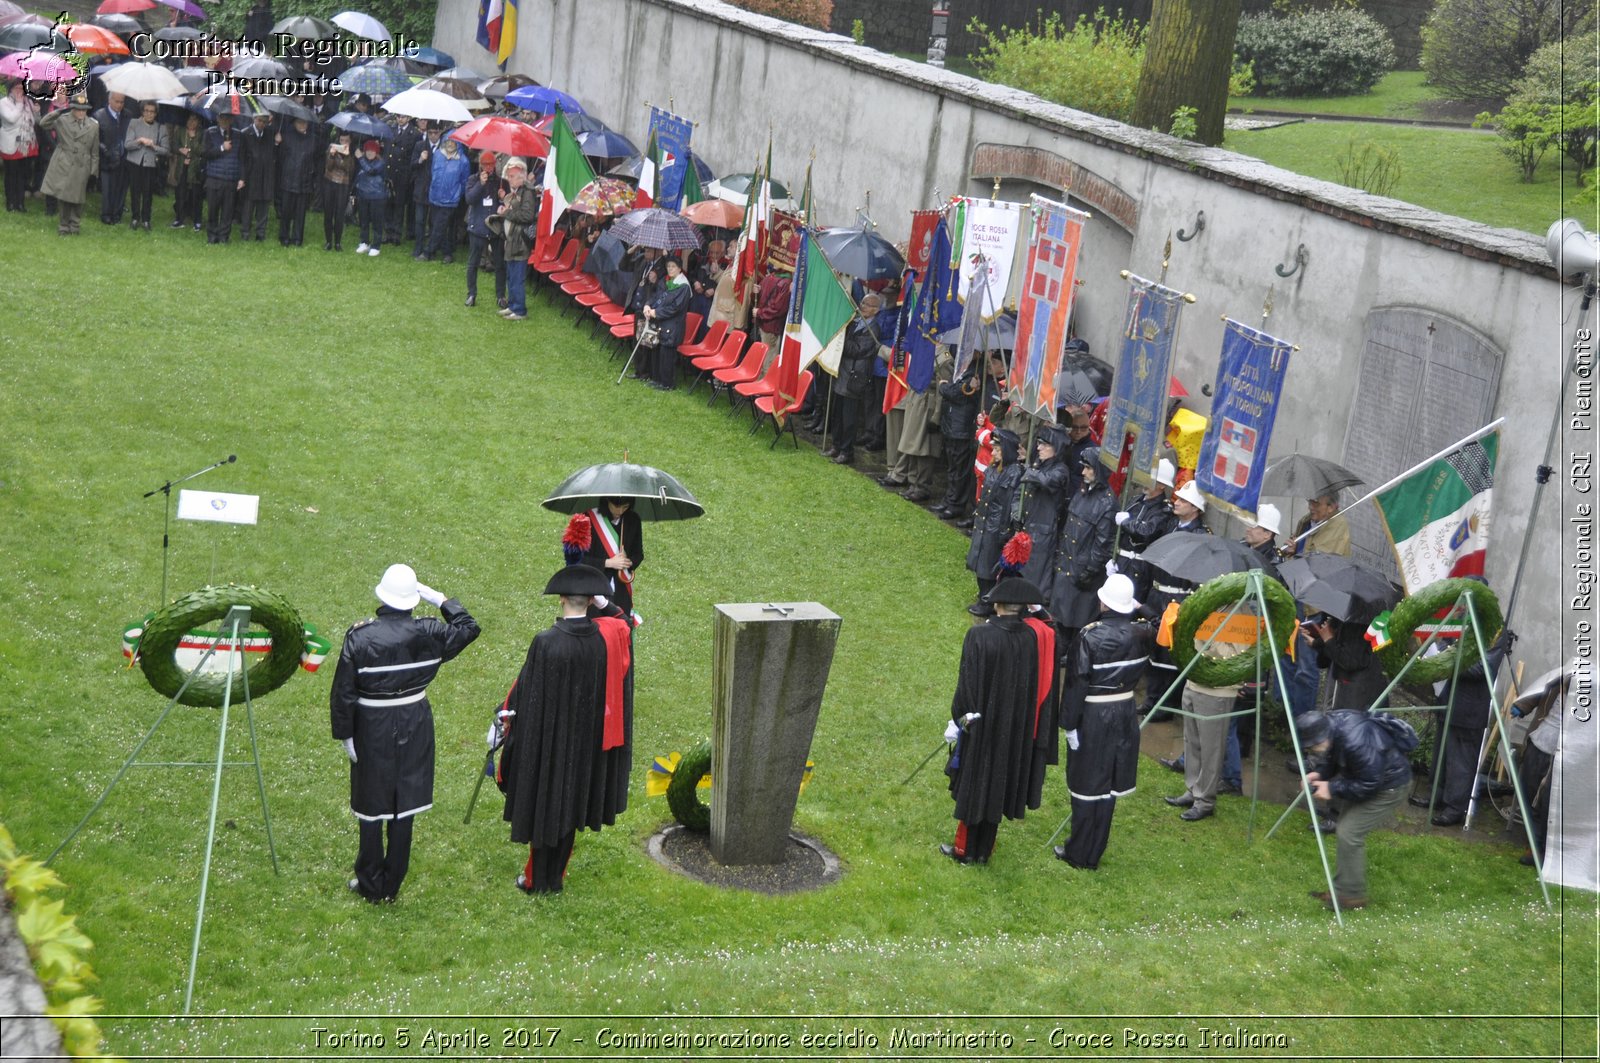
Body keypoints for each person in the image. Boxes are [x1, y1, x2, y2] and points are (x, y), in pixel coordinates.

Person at [329, 564, 480, 903]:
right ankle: (392, 884)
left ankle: (370, 882)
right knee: (404, 804)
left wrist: (345, 734)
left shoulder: (360, 636)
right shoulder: (429, 632)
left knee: (371, 803)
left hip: (372, 724)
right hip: (415, 721)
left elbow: (343, 693)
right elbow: (469, 628)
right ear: (413, 600)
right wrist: (441, 599)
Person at [500, 564, 634, 893]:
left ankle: (537, 880)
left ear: (561, 599)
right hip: (586, 739)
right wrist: (607, 605)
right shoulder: (604, 640)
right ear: (590, 601)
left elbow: (527, 691)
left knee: (546, 805)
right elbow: (624, 623)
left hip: (548, 739)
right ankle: (555, 877)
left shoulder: (546, 642)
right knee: (571, 806)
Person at [941, 576, 1056, 864]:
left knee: (976, 784)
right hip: (1012, 725)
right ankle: (985, 849)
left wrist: (959, 719)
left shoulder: (980, 636)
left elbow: (966, 685)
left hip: (981, 725)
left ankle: (965, 850)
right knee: (997, 785)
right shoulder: (1030, 638)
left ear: (999, 605)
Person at [1055, 573, 1152, 869]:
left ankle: (1079, 853)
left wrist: (1068, 723)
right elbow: (1163, 621)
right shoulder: (1144, 633)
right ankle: (1093, 849)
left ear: (1104, 603)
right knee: (1108, 785)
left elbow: (1076, 683)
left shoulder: (1089, 636)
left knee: (1086, 783)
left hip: (1095, 714)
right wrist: (1141, 607)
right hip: (1124, 712)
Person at [1295, 709, 1415, 910]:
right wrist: (1318, 774)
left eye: (1314, 746)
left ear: (1323, 735)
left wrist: (1332, 788)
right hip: (1368, 780)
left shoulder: (1357, 742)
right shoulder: (1333, 727)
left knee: (1349, 833)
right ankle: (1343, 889)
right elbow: (1332, 756)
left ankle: (1351, 897)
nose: (1313, 751)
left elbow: (1370, 784)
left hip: (1389, 787)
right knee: (1345, 830)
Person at [1413, 621, 1514, 827]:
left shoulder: (1494, 630)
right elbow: (1445, 649)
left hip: (1470, 707)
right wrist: (1442, 649)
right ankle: (1437, 797)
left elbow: (1481, 668)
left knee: (1461, 761)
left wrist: (1445, 654)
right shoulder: (1460, 624)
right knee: (1441, 756)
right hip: (1448, 699)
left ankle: (1455, 808)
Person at [1140, 479, 1209, 720]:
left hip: (1177, 598)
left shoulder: (1201, 536)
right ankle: (1151, 698)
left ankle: (1165, 704)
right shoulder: (1170, 524)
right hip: (1157, 593)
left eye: (1183, 500)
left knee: (1169, 653)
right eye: (1178, 498)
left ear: (1196, 508)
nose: (1176, 502)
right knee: (1153, 649)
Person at [1049, 453, 1116, 648]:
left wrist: (1090, 569)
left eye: (1089, 468)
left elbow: (1103, 542)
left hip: (1083, 566)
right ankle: (1061, 646)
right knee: (1061, 611)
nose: (1084, 472)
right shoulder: (1083, 491)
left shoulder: (1107, 503)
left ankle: (1070, 651)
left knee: (1077, 616)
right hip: (1068, 560)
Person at [965, 428, 1023, 615]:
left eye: (998, 449)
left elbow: (1013, 504)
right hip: (985, 522)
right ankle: (984, 597)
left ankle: (987, 602)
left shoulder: (1014, 473)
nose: (994, 453)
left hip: (997, 527)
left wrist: (1008, 529)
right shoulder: (994, 468)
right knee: (980, 561)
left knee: (988, 567)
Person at [824, 293, 882, 464]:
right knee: (837, 413)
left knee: (849, 417)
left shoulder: (874, 329)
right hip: (843, 372)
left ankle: (846, 451)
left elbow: (857, 349)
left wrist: (840, 338)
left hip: (856, 376)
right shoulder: (855, 322)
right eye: (862, 302)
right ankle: (836, 444)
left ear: (876, 310)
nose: (862, 306)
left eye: (867, 304)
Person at [1016, 423, 1071, 599]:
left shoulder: (1060, 470)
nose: (1038, 448)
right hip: (1031, 525)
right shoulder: (1041, 464)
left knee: (1036, 577)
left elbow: (1046, 481)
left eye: (1044, 444)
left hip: (1043, 531)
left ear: (1056, 448)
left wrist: (1028, 470)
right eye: (1038, 443)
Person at [1112, 458, 1177, 603]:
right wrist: (1112, 558)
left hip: (1138, 570)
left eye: (1151, 480)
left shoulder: (1163, 510)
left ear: (1161, 486)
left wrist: (1126, 522)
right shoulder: (1136, 500)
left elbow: (1146, 532)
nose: (1145, 482)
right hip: (1121, 562)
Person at [37, 93, 97, 236]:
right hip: (66, 162)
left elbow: (95, 151)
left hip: (82, 165)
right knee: (64, 197)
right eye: (78, 109)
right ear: (72, 108)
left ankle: (75, 225)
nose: (81, 112)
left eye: (84, 109)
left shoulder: (93, 125)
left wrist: (93, 170)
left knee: (78, 197)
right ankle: (64, 226)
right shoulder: (62, 120)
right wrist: (57, 111)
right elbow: (43, 123)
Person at [582, 497, 643, 620]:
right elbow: (580, 559)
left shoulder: (633, 520)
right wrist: (608, 563)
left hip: (622, 589)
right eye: (616, 506)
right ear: (607, 501)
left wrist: (628, 561)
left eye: (625, 507)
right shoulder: (588, 518)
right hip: (594, 587)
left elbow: (638, 554)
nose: (620, 511)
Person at [495, 156, 537, 321]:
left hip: (520, 240)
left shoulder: (528, 191)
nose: (509, 179)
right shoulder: (517, 191)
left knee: (517, 276)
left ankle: (519, 310)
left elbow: (527, 215)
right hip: (512, 238)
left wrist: (507, 213)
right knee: (511, 274)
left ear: (521, 176)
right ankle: (512, 305)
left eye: (511, 176)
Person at [642, 257, 692, 391]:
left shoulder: (683, 287)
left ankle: (667, 383)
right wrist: (648, 305)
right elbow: (656, 297)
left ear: (679, 269)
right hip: (661, 323)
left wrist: (655, 313)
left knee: (667, 355)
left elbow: (675, 308)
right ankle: (657, 379)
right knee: (658, 352)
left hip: (673, 325)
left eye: (673, 267)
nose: (670, 269)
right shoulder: (665, 281)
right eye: (669, 266)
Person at [463, 150, 505, 308]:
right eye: (486, 165)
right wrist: (480, 184)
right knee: (473, 263)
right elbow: (469, 199)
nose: (489, 168)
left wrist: (503, 197)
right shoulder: (473, 180)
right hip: (477, 227)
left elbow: (505, 204)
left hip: (495, 228)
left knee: (500, 264)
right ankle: (471, 294)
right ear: (481, 165)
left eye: (491, 165)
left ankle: (500, 296)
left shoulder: (501, 182)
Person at [425, 134, 469, 263]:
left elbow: (464, 181)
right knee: (438, 226)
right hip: (434, 196)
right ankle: (447, 253)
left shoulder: (463, 161)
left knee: (439, 226)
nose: (450, 144)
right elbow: (433, 172)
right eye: (448, 141)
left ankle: (428, 251)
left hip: (450, 200)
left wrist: (456, 194)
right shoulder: (438, 155)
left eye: (453, 142)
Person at [201, 110, 242, 244]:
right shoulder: (210, 133)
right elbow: (205, 153)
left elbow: (242, 158)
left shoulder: (238, 135)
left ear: (232, 120)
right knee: (213, 209)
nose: (225, 121)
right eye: (222, 118)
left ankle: (224, 236)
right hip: (214, 178)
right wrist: (221, 148)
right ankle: (212, 236)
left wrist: (241, 177)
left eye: (228, 118)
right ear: (217, 119)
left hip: (231, 178)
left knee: (228, 211)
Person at [275, 116, 318, 246]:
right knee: (286, 211)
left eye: (305, 122)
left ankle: (298, 238)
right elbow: (279, 157)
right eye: (300, 122)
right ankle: (284, 236)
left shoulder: (313, 139)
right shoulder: (286, 136)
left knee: (300, 213)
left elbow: (315, 158)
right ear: (294, 123)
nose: (303, 124)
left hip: (305, 179)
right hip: (288, 178)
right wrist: (277, 143)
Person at [1, 80, 40, 214]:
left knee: (22, 175)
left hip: (26, 143)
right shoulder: (3, 102)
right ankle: (11, 202)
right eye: (16, 88)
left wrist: (36, 112)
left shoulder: (27, 102)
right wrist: (18, 104)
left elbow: (33, 122)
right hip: (11, 143)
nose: (19, 91)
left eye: (21, 89)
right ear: (10, 89)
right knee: (11, 174)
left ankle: (20, 202)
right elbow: (11, 119)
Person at [237, 112, 277, 241]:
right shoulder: (245, 133)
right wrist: (242, 177)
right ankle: (245, 232)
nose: (262, 124)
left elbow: (274, 154)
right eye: (260, 121)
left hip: (266, 175)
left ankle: (260, 233)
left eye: (264, 122)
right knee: (248, 207)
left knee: (263, 206)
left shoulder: (270, 133)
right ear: (254, 119)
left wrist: (277, 143)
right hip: (251, 175)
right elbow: (241, 158)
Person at [93, 91, 131, 225]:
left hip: (124, 157)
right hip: (107, 158)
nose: (120, 105)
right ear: (110, 100)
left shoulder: (128, 115)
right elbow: (95, 138)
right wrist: (105, 150)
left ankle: (117, 214)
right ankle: (106, 214)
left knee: (121, 188)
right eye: (117, 101)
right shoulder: (99, 115)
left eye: (122, 102)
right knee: (107, 188)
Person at [169, 112, 205, 231]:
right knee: (180, 195)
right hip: (182, 167)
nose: (191, 122)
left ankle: (197, 220)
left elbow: (202, 150)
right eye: (189, 120)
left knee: (196, 196)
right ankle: (179, 218)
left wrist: (193, 138)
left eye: (194, 120)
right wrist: (180, 150)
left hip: (195, 169)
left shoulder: (202, 133)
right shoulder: (180, 131)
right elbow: (173, 145)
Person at [321, 130, 355, 251]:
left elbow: (349, 170)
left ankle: (338, 242)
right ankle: (328, 241)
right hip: (330, 182)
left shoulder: (351, 153)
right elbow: (328, 167)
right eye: (341, 140)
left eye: (346, 141)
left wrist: (346, 156)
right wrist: (331, 155)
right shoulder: (332, 147)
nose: (343, 143)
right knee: (328, 213)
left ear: (350, 141)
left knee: (339, 214)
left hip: (343, 184)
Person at [353, 139, 386, 256]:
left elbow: (371, 171)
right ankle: (364, 242)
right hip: (363, 195)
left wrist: (360, 158)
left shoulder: (380, 162)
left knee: (377, 222)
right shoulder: (362, 161)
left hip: (377, 196)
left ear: (376, 152)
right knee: (363, 221)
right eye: (367, 150)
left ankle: (376, 246)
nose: (369, 153)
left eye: (372, 150)